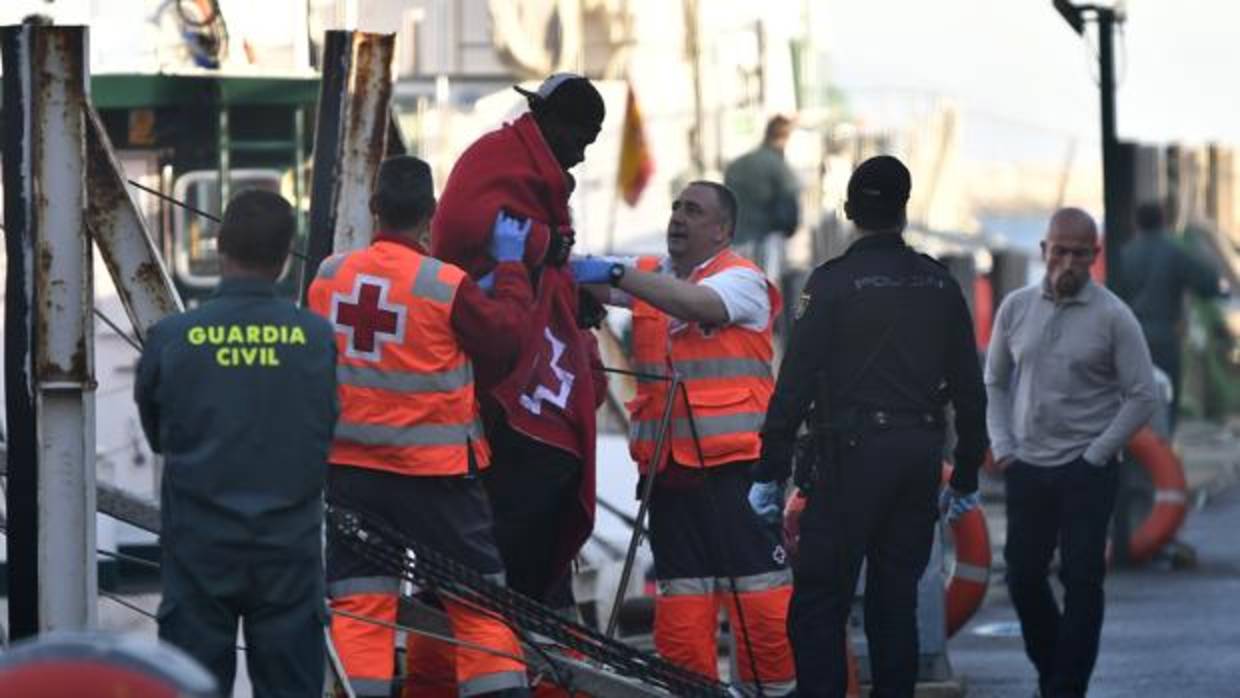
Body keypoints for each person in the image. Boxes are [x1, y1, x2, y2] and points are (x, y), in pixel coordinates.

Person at [752, 155, 988, 698]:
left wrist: (770, 473)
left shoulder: (830, 285)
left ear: (850, 211)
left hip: (850, 459)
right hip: (917, 457)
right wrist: (968, 475)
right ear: (904, 213)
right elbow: (970, 392)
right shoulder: (940, 285)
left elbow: (794, 386)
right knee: (894, 603)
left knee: (819, 603)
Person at [307, 156, 536, 697]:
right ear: (431, 213)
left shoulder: (329, 276)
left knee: (361, 607)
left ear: (374, 208)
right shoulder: (446, 284)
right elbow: (505, 339)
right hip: (437, 480)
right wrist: (510, 269)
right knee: (478, 606)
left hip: (353, 474)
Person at [571, 181, 797, 695]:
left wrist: (613, 274)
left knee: (758, 596)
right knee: (681, 604)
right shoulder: (650, 276)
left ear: (722, 230)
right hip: (669, 474)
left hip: (736, 471)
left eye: (692, 211)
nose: (677, 218)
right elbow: (597, 279)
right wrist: (559, 260)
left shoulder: (742, 282)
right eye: (675, 207)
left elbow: (697, 305)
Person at [134, 189, 338, 698]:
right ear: (286, 255)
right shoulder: (315, 338)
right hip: (288, 554)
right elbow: (325, 427)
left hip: (200, 551)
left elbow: (158, 436)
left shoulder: (173, 337)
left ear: (219, 245)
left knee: (191, 687)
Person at [432, 73, 607, 620]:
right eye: (580, 140)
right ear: (555, 125)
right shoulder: (497, 158)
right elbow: (463, 225)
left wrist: (562, 281)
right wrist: (538, 246)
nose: (579, 158)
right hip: (495, 388)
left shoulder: (534, 170)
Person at [987, 207, 1157, 698]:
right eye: (1059, 251)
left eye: (1079, 254)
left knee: (1083, 579)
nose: (1067, 262)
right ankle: (1054, 671)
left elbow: (1142, 394)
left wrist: (1098, 454)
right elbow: (994, 380)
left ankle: (1066, 688)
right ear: (1043, 251)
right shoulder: (1015, 308)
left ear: (1094, 257)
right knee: (1022, 577)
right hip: (1028, 466)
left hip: (1087, 468)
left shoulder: (1114, 317)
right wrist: (1004, 447)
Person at [1116, 201, 1222, 429]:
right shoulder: (1174, 252)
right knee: (1166, 400)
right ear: (1163, 221)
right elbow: (1209, 284)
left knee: (1132, 401)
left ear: (1136, 223)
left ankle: (1136, 457)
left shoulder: (1124, 255)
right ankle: (1163, 451)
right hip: (1165, 339)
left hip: (1130, 339)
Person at [724, 114, 801, 281]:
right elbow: (789, 204)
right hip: (765, 243)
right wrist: (789, 229)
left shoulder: (736, 165)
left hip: (734, 242)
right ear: (784, 137)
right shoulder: (777, 165)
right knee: (764, 292)